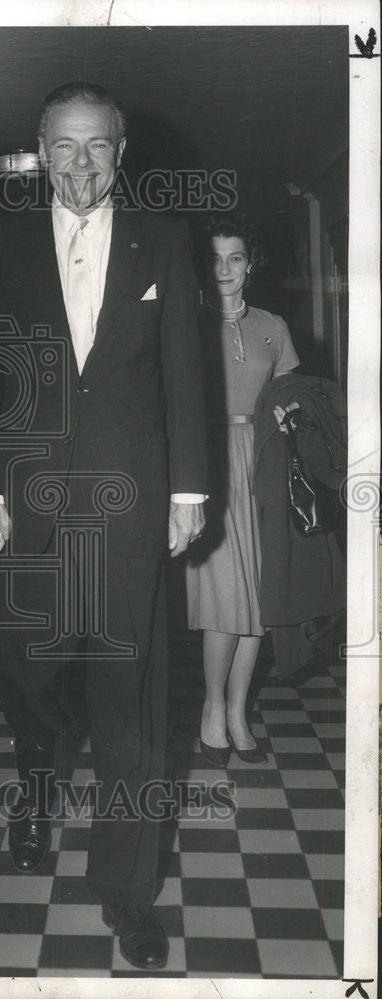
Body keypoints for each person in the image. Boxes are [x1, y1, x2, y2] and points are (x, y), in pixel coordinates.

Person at [0, 83, 208, 970]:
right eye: (62, 148)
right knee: (27, 671)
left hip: (132, 508)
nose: (79, 165)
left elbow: (186, 369)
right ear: (39, 150)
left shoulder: (164, 241)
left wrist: (187, 492)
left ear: (120, 149)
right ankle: (35, 780)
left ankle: (128, 895)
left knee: (132, 711)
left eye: (95, 147)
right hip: (26, 506)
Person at [185, 215, 299, 765]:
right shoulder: (186, 322)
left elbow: (292, 393)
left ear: (251, 264)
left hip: (263, 464)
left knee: (261, 598)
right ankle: (211, 706)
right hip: (209, 465)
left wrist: (288, 411)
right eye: (214, 258)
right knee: (224, 599)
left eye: (235, 257)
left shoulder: (274, 325)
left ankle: (237, 710)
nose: (224, 268)